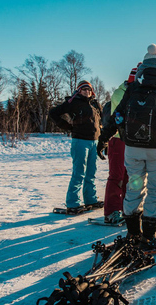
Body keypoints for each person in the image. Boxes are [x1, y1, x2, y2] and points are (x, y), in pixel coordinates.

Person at [98, 44, 156, 251]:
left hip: (132, 149)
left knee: (134, 187)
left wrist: (103, 138)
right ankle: (148, 236)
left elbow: (115, 116)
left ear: (143, 69)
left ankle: (132, 233)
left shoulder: (131, 89)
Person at [49, 80, 103, 213]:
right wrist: (67, 126)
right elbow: (53, 113)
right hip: (80, 141)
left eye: (89, 90)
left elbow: (103, 119)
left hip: (94, 141)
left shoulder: (95, 103)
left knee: (91, 173)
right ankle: (73, 203)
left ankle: (91, 199)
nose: (87, 92)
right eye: (84, 90)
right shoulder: (73, 102)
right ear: (79, 91)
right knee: (79, 173)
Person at [100, 65, 140, 224]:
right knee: (116, 176)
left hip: (130, 141)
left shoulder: (136, 92)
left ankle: (124, 208)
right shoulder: (121, 92)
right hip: (117, 139)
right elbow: (122, 117)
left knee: (127, 177)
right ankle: (111, 212)